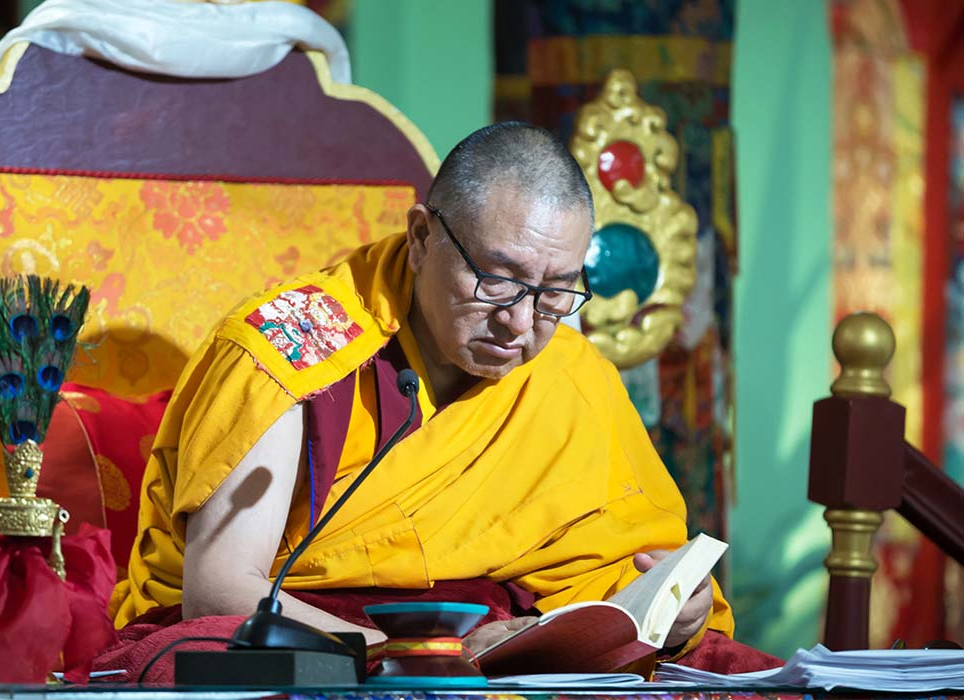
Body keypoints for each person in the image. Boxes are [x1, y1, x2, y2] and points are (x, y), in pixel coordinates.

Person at [109, 122, 734, 661]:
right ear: (420, 238)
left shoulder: (570, 375)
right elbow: (220, 592)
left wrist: (676, 614)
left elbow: (624, 579)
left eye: (556, 291)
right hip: (313, 640)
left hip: (508, 651)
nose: (520, 322)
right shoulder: (296, 347)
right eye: (498, 280)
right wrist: (427, 659)